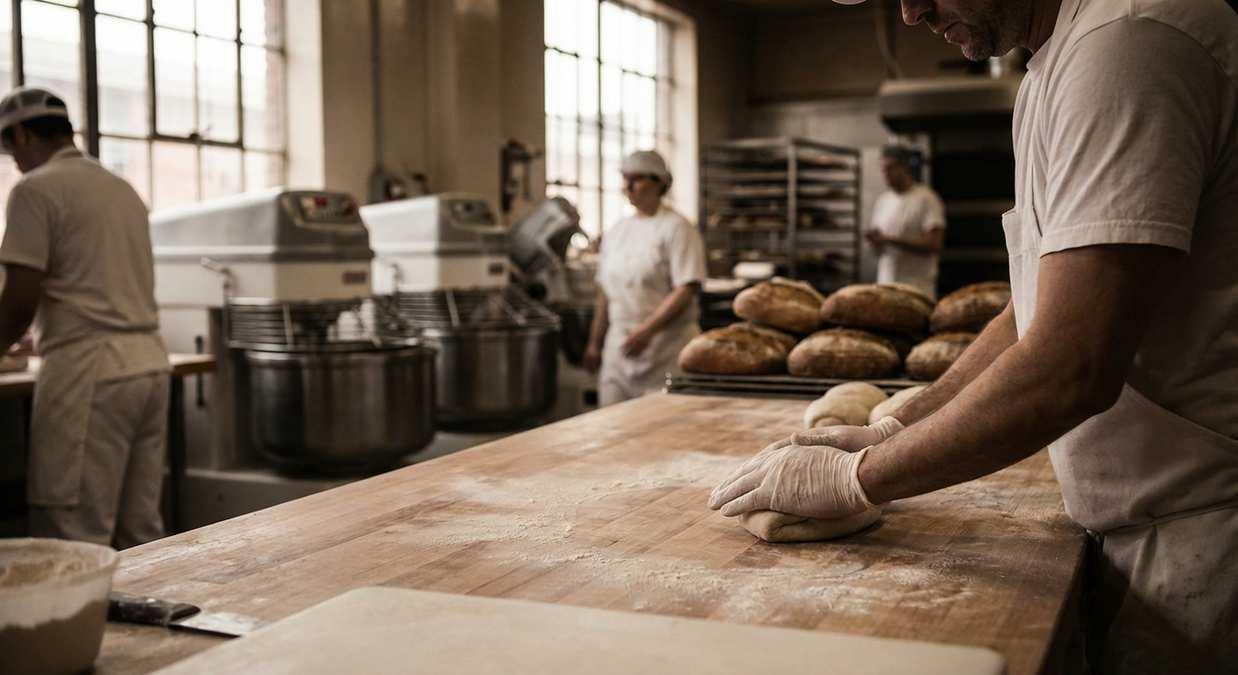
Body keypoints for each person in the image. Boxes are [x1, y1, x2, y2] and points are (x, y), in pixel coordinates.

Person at [709, 0, 1238, 672]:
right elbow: (1034, 313)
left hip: (1208, 538)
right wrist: (897, 425)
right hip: (1146, 530)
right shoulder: (1050, 71)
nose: (910, 12)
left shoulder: (1129, 44)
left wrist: (859, 478)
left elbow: (1072, 364)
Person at [0, 87, 170, 549]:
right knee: (141, 533)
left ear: (21, 133)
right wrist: (49, 331)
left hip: (90, 375)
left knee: (72, 535)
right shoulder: (120, 189)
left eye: (8, 145)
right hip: (148, 367)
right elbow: (100, 285)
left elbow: (18, 300)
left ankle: (72, 625)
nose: (12, 160)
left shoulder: (35, 190)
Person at [583, 150, 706, 406]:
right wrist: (595, 343)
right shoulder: (617, 232)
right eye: (625, 178)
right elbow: (605, 292)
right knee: (611, 427)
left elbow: (687, 287)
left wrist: (647, 331)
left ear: (660, 182)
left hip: (666, 348)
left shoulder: (678, 228)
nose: (628, 186)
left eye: (637, 179)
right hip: (619, 347)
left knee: (662, 432)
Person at [866, 145, 946, 299]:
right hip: (886, 285)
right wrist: (875, 242)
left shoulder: (927, 198)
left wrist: (890, 240)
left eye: (890, 168)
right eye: (882, 169)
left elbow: (934, 244)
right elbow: (878, 248)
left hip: (917, 289)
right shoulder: (883, 201)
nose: (885, 174)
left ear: (904, 167)